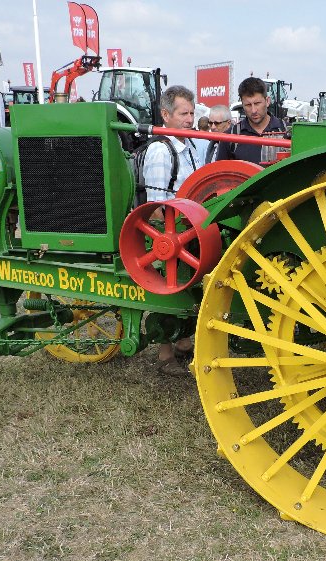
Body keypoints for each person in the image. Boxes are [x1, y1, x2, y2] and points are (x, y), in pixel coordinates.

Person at [140, 85, 203, 374]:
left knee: (189, 287)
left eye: (191, 113)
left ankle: (184, 342)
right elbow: (155, 206)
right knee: (169, 290)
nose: (189, 119)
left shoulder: (190, 146)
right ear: (166, 115)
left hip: (189, 230)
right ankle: (165, 354)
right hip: (169, 235)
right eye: (183, 114)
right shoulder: (160, 151)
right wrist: (170, 239)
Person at [215, 77, 286, 163]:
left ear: (267, 101)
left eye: (257, 103)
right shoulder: (230, 137)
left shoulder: (287, 132)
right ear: (242, 105)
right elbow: (220, 170)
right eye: (248, 105)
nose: (253, 110)